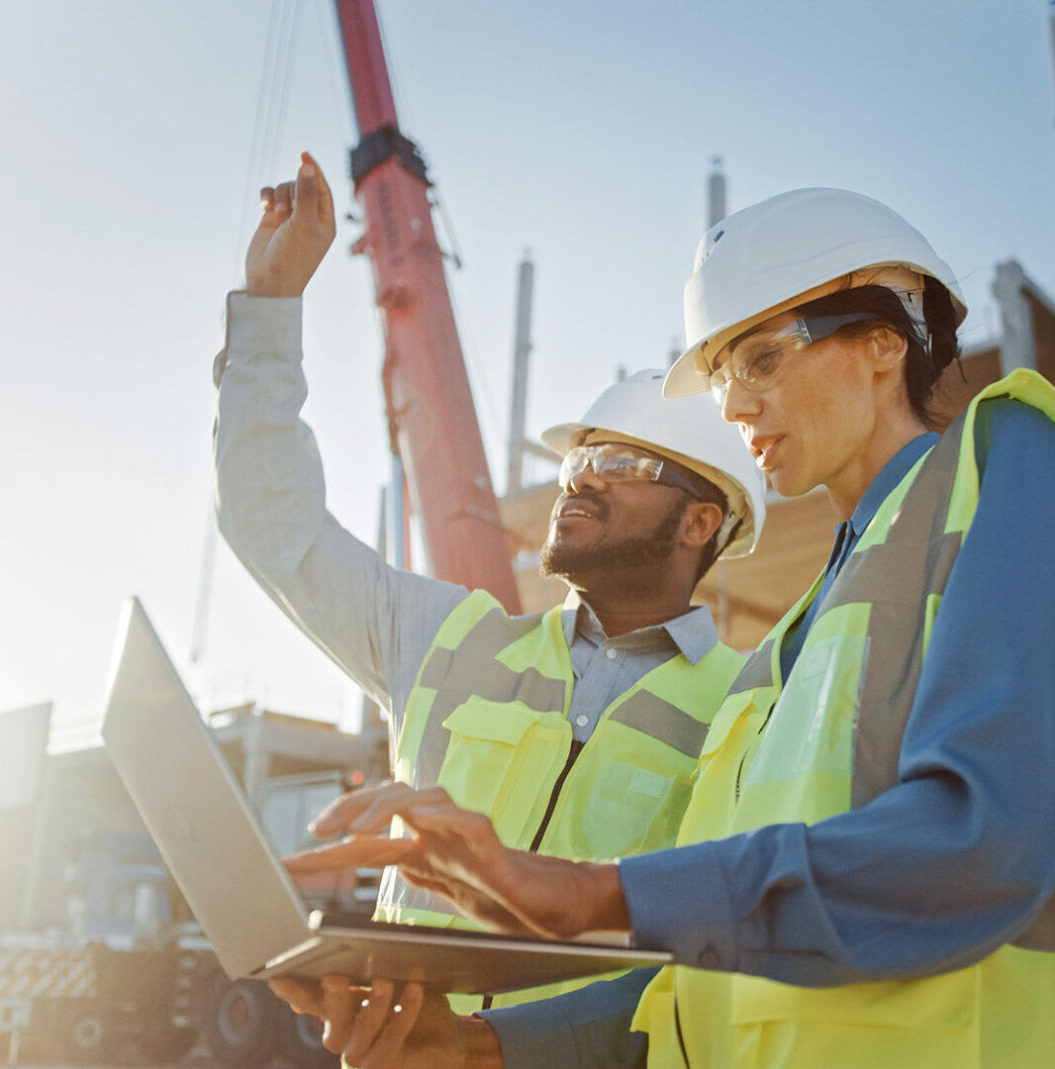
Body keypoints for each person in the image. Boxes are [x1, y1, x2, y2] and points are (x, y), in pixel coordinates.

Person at [286, 187, 1055, 1069]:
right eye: (727, 377)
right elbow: (701, 981)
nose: (736, 407)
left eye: (762, 359)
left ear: (887, 339)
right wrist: (477, 1046)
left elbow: (976, 849)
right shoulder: (775, 666)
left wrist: (587, 892)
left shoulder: (1010, 465)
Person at [214, 154, 765, 1042]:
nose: (576, 484)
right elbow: (271, 521)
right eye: (576, 461)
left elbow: (721, 956)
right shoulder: (446, 640)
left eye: (617, 465)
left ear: (701, 520)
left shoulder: (752, 707)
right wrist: (270, 309)